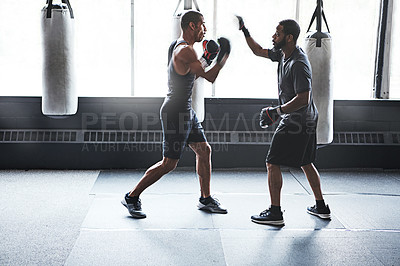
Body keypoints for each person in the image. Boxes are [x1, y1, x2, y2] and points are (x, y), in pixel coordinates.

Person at [122, 10, 230, 219]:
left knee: (204, 150)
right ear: (192, 26)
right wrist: (223, 58)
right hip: (175, 113)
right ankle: (132, 197)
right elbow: (209, 77)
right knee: (169, 163)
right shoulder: (186, 51)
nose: (204, 30)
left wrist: (207, 57)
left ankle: (205, 198)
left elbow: (193, 72)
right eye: (202, 25)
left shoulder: (178, 45)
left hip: (186, 111)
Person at [236, 16, 331, 226]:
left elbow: (303, 98)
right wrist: (245, 30)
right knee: (306, 162)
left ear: (288, 37)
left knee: (272, 162)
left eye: (277, 33)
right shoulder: (283, 54)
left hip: (297, 120)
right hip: (305, 118)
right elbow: (258, 50)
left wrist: (276, 111)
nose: (273, 36)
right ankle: (321, 206)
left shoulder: (298, 63)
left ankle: (275, 212)